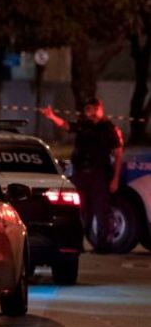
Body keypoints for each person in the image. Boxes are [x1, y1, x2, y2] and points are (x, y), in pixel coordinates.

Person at [40, 98, 124, 253]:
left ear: (100, 109)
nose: (90, 113)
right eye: (87, 109)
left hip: (99, 175)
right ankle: (77, 244)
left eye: (92, 109)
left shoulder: (110, 129)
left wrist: (115, 179)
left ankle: (103, 245)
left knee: (101, 211)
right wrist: (52, 116)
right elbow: (66, 126)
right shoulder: (83, 125)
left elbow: (118, 154)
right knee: (80, 211)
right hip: (81, 174)